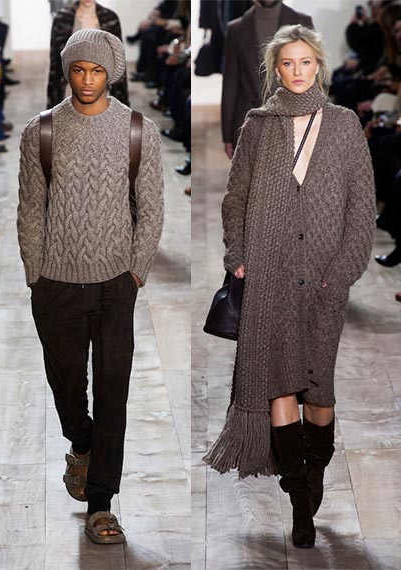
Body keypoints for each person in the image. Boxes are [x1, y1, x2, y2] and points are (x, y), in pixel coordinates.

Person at [205, 25, 376, 550]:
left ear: (318, 65)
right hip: (269, 272)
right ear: (275, 69)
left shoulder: (344, 125)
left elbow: (361, 208)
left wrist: (341, 273)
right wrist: (237, 255)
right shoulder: (259, 125)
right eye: (287, 63)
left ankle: (314, 469)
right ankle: (300, 498)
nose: (297, 71)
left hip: (325, 278)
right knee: (279, 383)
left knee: (318, 391)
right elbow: (235, 197)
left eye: (305, 62)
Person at [17, 29, 164, 544]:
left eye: (97, 70)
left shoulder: (138, 130)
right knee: (66, 386)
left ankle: (101, 504)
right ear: (67, 71)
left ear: (111, 74)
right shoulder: (41, 131)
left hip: (115, 283)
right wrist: (34, 273)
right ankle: (81, 442)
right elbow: (30, 208)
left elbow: (151, 210)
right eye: (79, 69)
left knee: (113, 391)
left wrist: (136, 271)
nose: (87, 79)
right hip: (55, 281)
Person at [221, 0, 312, 158]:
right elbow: (231, 84)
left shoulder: (302, 22)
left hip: (294, 121)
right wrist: (228, 135)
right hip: (249, 122)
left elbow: (312, 78)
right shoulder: (236, 29)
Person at [47, 0, 129, 108]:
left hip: (103, 87)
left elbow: (118, 58)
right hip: (70, 87)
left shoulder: (110, 18)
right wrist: (52, 104)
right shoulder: (62, 18)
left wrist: (123, 102)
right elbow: (55, 63)